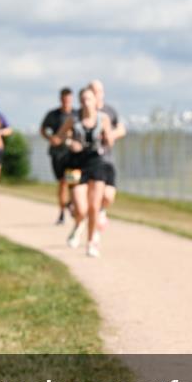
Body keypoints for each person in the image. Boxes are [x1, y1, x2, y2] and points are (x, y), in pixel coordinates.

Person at [57, 86, 113, 258]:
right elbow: (59, 138)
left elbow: (109, 141)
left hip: (96, 162)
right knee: (80, 208)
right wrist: (69, 143)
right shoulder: (73, 120)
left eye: (89, 99)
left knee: (94, 206)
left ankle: (91, 242)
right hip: (76, 164)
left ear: (96, 101)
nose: (85, 102)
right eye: (82, 99)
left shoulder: (103, 119)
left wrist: (106, 139)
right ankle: (78, 225)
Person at [89, 79, 124, 233]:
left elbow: (122, 129)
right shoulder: (83, 112)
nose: (96, 94)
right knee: (90, 199)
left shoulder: (110, 111)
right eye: (93, 91)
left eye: (98, 91)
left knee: (108, 196)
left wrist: (111, 135)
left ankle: (101, 211)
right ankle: (88, 227)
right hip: (88, 161)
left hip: (107, 160)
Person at [40, 87, 76, 224]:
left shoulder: (76, 114)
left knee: (72, 181)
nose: (66, 102)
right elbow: (43, 129)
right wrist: (51, 138)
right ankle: (62, 211)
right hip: (57, 154)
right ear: (61, 99)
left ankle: (71, 205)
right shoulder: (53, 115)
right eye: (64, 99)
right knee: (62, 183)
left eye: (69, 99)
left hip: (72, 153)